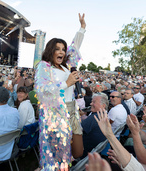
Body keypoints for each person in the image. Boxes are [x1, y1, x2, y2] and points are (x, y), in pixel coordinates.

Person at [34, 13, 86, 170]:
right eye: (57, 49)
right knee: (58, 157)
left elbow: (75, 46)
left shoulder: (66, 66)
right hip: (56, 112)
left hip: (72, 109)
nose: (62, 52)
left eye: (63, 49)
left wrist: (82, 28)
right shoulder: (44, 66)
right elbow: (41, 89)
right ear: (51, 51)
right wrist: (66, 83)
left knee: (78, 151)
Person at [81, 93, 108, 158]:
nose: (90, 104)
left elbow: (77, 131)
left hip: (85, 152)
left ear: (103, 106)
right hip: (94, 151)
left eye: (94, 102)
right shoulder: (104, 115)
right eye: (91, 102)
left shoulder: (95, 117)